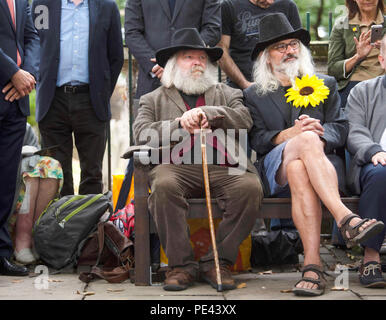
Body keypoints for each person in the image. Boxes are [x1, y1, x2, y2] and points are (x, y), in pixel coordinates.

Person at [244, 13, 384, 296]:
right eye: (280, 46)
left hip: (320, 167)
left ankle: (312, 266)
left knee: (301, 163)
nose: (289, 50)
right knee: (301, 145)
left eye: (293, 43)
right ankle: (346, 218)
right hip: (275, 170)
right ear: (266, 57)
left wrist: (319, 134)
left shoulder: (325, 84)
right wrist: (289, 136)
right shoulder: (253, 95)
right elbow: (257, 140)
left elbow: (342, 129)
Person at [133, 28, 263, 291]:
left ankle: (217, 262)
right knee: (165, 187)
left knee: (249, 188)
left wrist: (208, 112)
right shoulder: (152, 99)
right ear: (173, 64)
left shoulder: (227, 93)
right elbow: (141, 133)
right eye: (188, 57)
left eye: (202, 59)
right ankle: (181, 266)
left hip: (223, 164)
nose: (197, 63)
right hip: (174, 165)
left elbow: (245, 119)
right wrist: (179, 123)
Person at [31, 0, 124, 196]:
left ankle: (88, 225)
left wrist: (102, 91)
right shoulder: (43, 5)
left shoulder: (107, 7)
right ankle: (61, 225)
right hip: (52, 100)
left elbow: (116, 56)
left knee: (92, 173)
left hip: (91, 101)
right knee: (56, 174)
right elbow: (32, 43)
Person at [0, 0, 39, 276]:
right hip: (7, 82)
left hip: (15, 102)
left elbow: (32, 38)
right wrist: (12, 72)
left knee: (5, 183)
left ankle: (1, 253)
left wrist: (27, 75)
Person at [345, 34, 386, 288]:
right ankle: (371, 257)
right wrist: (374, 151)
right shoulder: (363, 92)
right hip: (375, 164)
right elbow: (354, 130)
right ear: (382, 60)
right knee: (382, 173)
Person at [124, 0, 221, 99]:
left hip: (194, 81)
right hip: (152, 82)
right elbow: (132, 32)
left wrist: (187, 57)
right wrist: (156, 65)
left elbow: (213, 28)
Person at [10, 124, 63, 265]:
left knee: (50, 165)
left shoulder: (24, 127)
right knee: (30, 169)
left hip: (22, 177)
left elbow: (35, 152)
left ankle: (36, 236)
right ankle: (22, 238)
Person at [217, 0, 301, 90]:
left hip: (284, 83)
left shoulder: (288, 5)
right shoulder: (229, 6)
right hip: (241, 84)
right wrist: (245, 84)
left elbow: (298, 46)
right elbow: (222, 51)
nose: (270, 2)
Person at [328, 0, 385, 110]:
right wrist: (358, 56)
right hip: (353, 84)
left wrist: (384, 48)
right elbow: (333, 69)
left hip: (382, 81)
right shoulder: (342, 25)